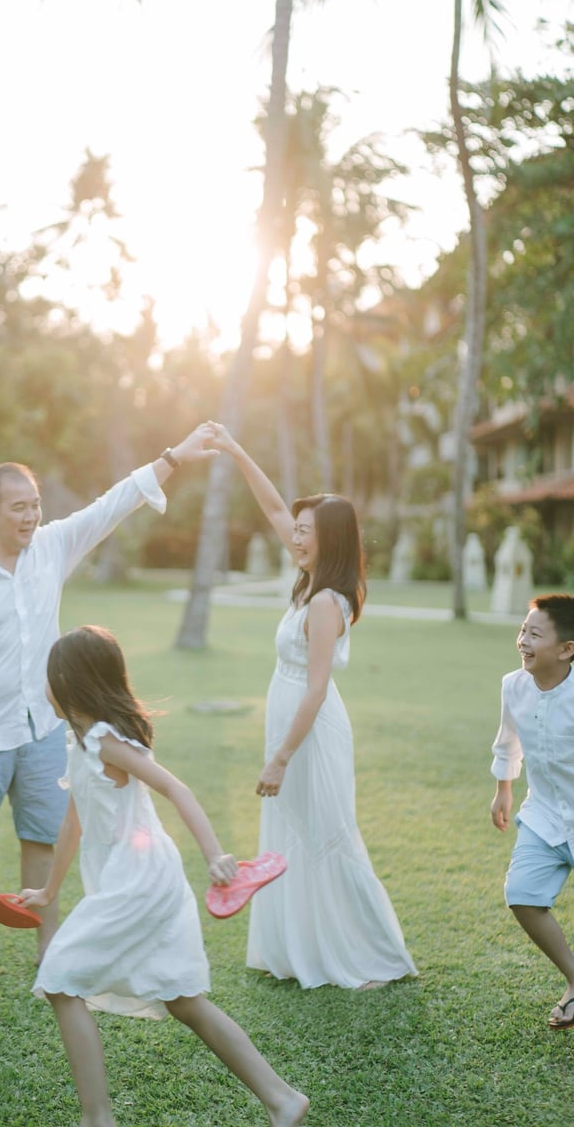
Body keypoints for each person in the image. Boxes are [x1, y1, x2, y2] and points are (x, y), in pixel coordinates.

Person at [0, 425, 217, 990]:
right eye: (19, 508)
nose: (30, 517)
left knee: (41, 840)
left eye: (36, 506)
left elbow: (112, 504)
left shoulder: (51, 547)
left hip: (46, 730)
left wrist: (173, 456)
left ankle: (47, 950)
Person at [18, 625, 310, 1127]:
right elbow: (73, 820)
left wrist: (216, 856)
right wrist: (48, 891)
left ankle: (97, 1118)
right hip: (134, 878)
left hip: (141, 880)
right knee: (183, 1001)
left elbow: (177, 789)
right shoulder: (82, 741)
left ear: (69, 681)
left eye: (49, 673)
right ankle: (282, 1099)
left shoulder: (108, 742)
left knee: (60, 979)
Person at [209, 422, 417, 991]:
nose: (294, 537)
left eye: (305, 532)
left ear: (330, 539)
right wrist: (234, 447)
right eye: (295, 530)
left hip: (310, 729)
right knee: (289, 833)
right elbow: (275, 504)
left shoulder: (326, 600)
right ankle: (293, 951)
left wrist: (279, 757)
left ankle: (371, 955)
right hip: (289, 719)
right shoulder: (308, 577)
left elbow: (317, 688)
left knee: (326, 833)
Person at [490, 593, 574, 1030]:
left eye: (535, 634)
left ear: (567, 649)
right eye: (523, 630)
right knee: (522, 894)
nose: (523, 640)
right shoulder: (513, 685)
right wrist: (503, 789)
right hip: (543, 815)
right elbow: (508, 742)